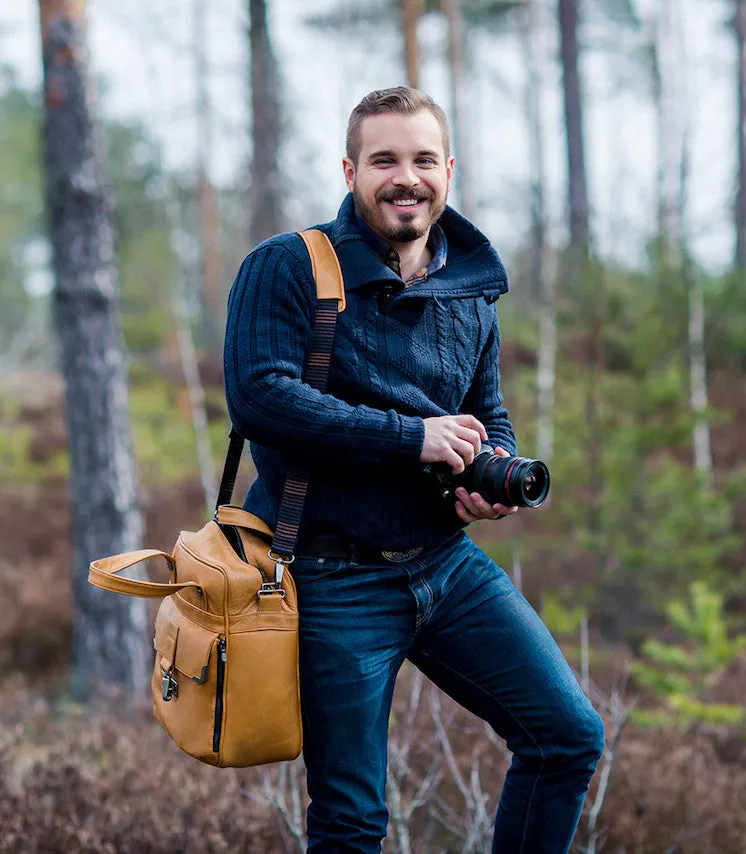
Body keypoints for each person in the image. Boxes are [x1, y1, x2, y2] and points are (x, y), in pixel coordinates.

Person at [223, 86, 604, 854]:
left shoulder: (469, 288)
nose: (407, 177)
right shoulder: (290, 266)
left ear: (449, 169)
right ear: (350, 170)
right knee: (353, 821)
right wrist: (413, 439)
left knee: (567, 737)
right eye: (385, 160)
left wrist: (486, 473)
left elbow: (485, 414)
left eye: (423, 159)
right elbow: (261, 398)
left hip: (445, 568)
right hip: (331, 580)